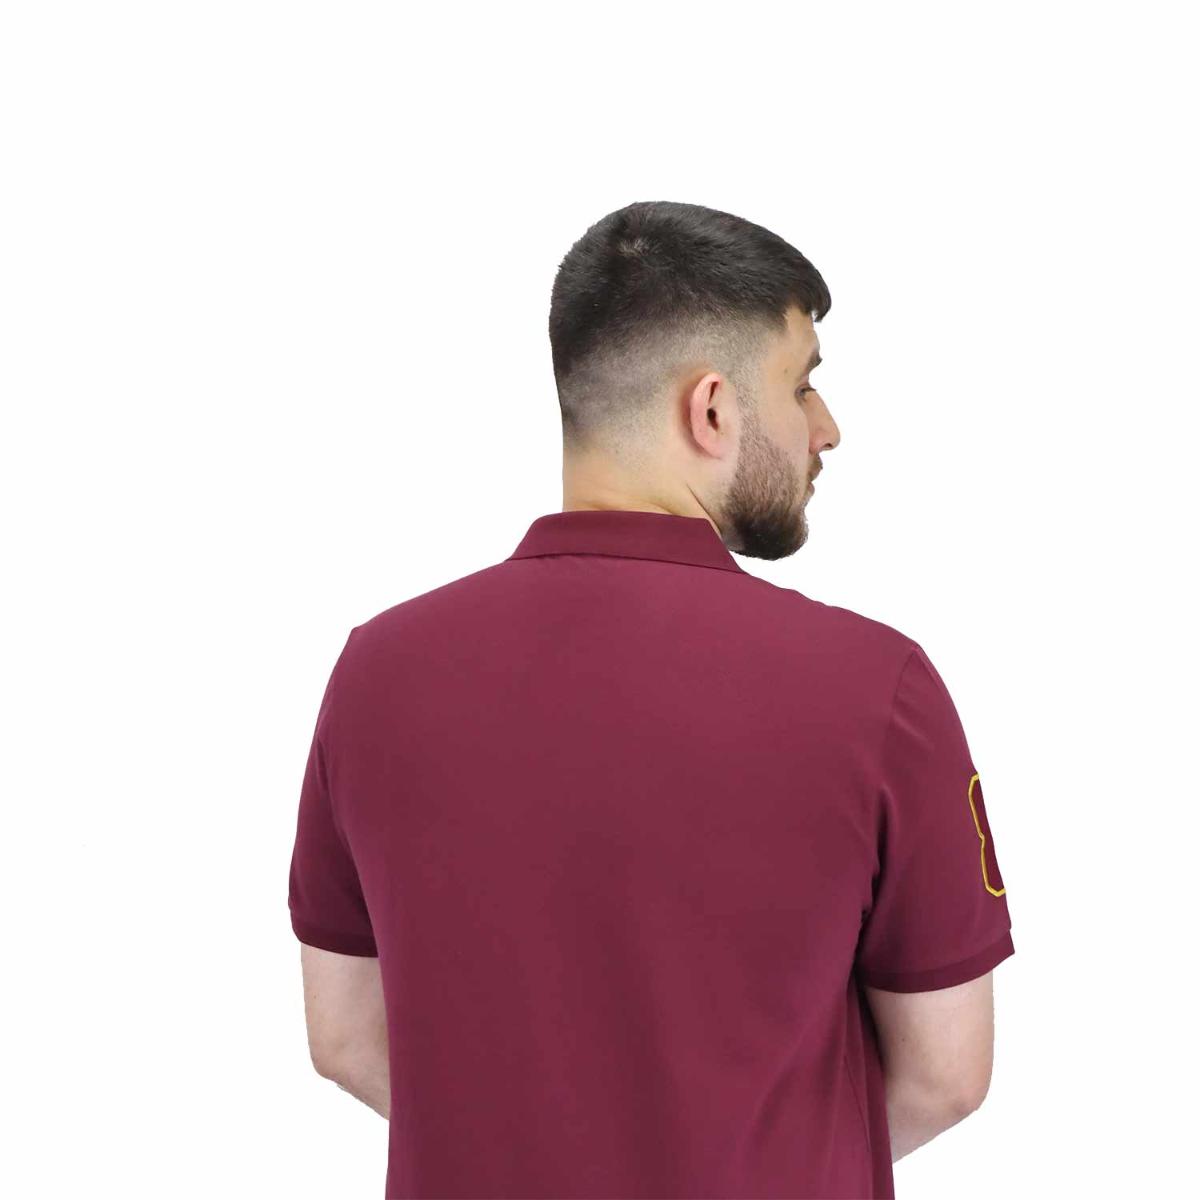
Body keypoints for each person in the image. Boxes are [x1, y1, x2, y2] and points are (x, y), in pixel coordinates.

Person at [287, 199, 1015, 1199]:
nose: (827, 429)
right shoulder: (876, 688)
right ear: (711, 409)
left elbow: (344, 1036)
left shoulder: (377, 671)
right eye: (802, 385)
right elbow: (947, 1075)